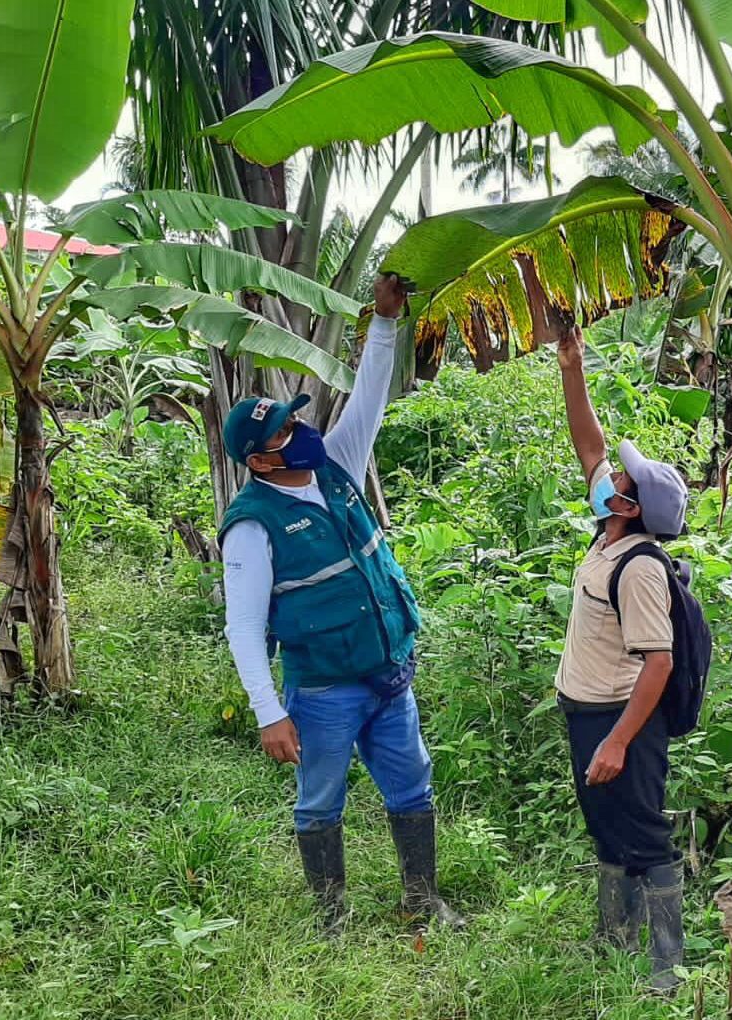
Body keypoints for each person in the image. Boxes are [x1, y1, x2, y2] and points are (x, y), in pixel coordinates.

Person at [217, 274, 463, 933]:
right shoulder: (252, 524)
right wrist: (270, 715)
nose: (301, 429)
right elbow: (242, 627)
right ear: (260, 463)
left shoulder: (336, 468)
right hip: (324, 688)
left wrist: (384, 324)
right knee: (320, 801)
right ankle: (330, 919)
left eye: (296, 419)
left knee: (413, 784)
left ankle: (423, 899)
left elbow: (371, 400)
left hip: (389, 674)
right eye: (284, 432)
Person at [553, 320, 689, 993]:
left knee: (644, 835)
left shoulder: (638, 567)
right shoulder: (608, 534)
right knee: (607, 831)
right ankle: (615, 942)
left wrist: (616, 742)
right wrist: (571, 366)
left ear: (632, 506)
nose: (608, 473)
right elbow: (590, 444)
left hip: (620, 720)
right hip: (589, 713)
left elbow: (658, 665)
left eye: (621, 477)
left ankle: (668, 966)